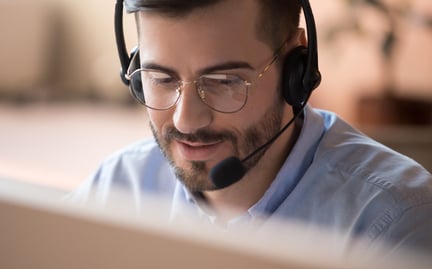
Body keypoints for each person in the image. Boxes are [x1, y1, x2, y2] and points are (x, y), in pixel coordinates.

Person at [69, 0, 432, 253]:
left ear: (297, 69)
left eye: (224, 81)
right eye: (160, 78)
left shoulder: (395, 226)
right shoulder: (116, 189)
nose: (186, 120)